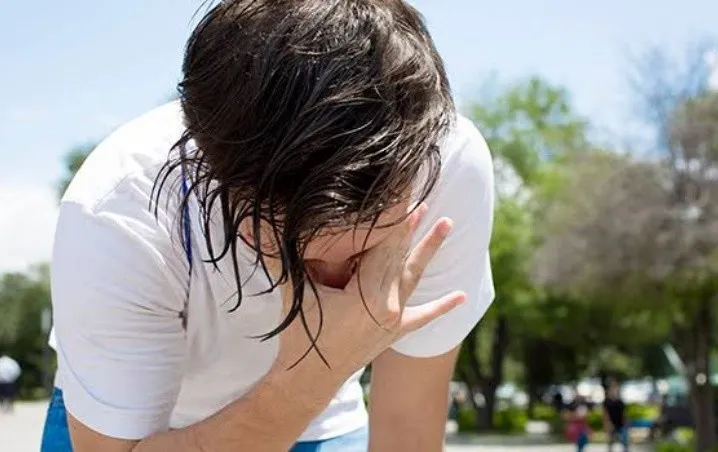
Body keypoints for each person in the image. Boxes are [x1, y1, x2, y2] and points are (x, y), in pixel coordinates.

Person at [40, 1, 495, 451]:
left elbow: (405, 428)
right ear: (217, 184)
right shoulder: (120, 212)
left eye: (365, 252)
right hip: (126, 428)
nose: (348, 296)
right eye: (304, 258)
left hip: (323, 424)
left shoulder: (449, 169)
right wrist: (309, 378)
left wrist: (314, 386)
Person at [603, 379, 629, 452]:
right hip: (612, 424)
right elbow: (605, 414)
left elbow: (624, 414)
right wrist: (607, 425)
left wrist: (626, 424)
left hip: (621, 424)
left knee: (625, 443)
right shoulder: (607, 402)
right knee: (611, 443)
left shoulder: (621, 402)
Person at [563, 386, 591, 452]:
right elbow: (565, 415)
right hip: (575, 426)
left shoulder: (583, 403)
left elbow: (588, 413)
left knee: (584, 440)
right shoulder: (571, 404)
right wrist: (575, 415)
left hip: (583, 425)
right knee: (579, 441)